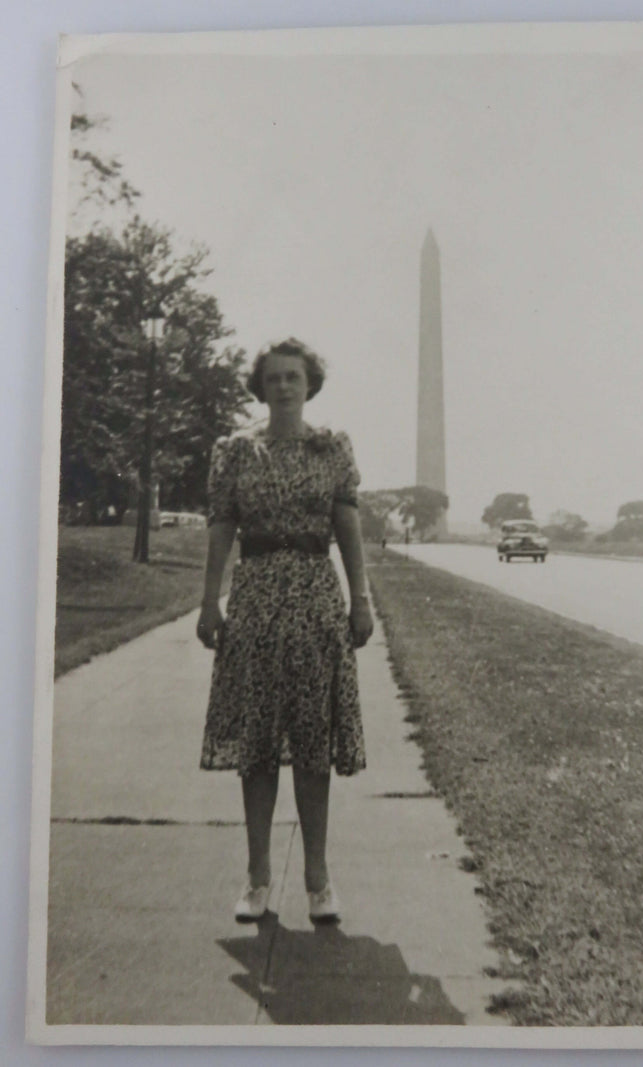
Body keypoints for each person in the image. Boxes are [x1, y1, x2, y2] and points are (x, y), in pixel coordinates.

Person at [196, 337, 373, 925]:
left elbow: (347, 528)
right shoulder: (237, 452)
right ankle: (256, 877)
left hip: (316, 600)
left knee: (314, 743)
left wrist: (361, 600)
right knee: (258, 744)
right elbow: (222, 526)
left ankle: (318, 880)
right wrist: (209, 601)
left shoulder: (331, 448)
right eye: (274, 378)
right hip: (255, 599)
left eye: (294, 377)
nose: (284, 387)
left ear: (310, 383)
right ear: (261, 387)